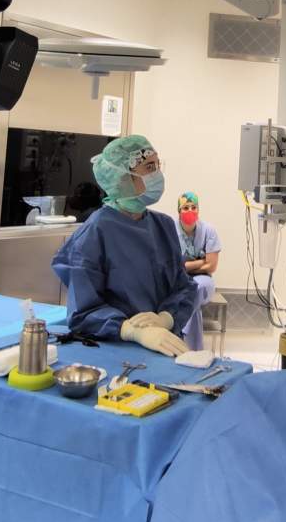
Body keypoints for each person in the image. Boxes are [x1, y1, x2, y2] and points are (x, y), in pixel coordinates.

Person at [51, 135, 195, 356]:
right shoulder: (95, 232)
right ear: (122, 178)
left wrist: (166, 318)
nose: (158, 175)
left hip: (165, 343)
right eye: (149, 167)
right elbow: (83, 312)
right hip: (116, 349)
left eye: (158, 165)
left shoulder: (163, 225)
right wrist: (131, 330)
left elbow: (183, 286)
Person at [173, 192, 220, 349]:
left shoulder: (208, 231)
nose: (190, 210)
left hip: (203, 279)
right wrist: (201, 261)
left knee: (196, 289)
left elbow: (212, 266)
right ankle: (195, 351)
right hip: (178, 279)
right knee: (192, 305)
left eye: (194, 207)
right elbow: (173, 265)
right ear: (179, 211)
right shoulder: (170, 230)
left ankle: (178, 330)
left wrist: (186, 266)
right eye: (185, 207)